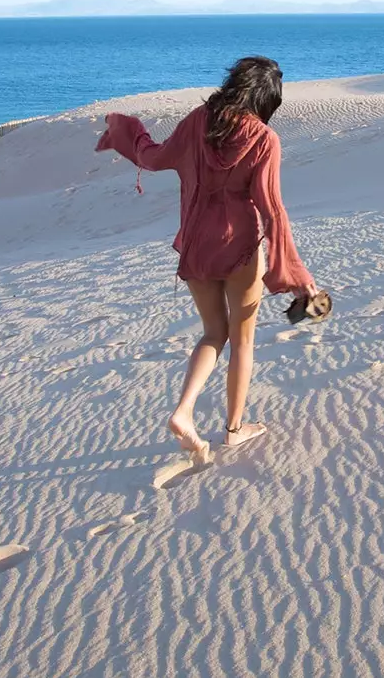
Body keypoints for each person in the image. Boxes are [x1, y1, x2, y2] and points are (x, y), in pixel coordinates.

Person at [95, 56, 317, 465]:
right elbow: (272, 208)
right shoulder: (265, 139)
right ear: (266, 99)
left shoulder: (199, 119)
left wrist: (128, 132)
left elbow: (155, 158)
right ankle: (234, 430)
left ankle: (184, 410)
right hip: (240, 247)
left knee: (213, 333)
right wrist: (295, 269)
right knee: (242, 339)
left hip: (197, 241)